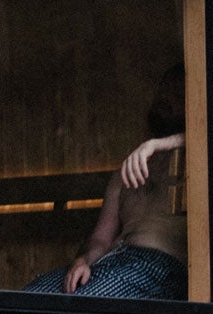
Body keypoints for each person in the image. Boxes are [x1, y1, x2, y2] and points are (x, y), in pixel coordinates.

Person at [22, 66, 187, 299]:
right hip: (112, 261)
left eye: (178, 95)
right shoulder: (127, 169)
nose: (166, 99)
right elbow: (101, 238)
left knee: (81, 306)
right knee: (26, 300)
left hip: (157, 265)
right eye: (164, 92)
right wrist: (83, 261)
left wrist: (157, 144)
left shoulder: (196, 162)